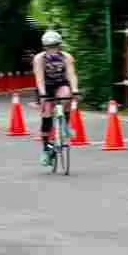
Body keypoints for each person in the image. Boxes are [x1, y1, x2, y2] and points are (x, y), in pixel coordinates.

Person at [32, 30, 78, 165]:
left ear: (60, 45)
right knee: (46, 112)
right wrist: (42, 94)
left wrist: (75, 90)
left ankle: (64, 126)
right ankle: (46, 149)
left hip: (60, 84)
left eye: (55, 45)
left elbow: (71, 74)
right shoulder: (39, 58)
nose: (52, 49)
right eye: (49, 46)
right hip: (45, 86)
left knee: (67, 95)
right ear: (44, 47)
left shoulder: (66, 57)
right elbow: (39, 77)